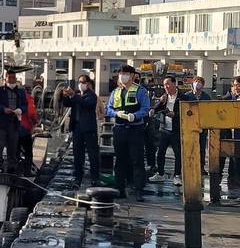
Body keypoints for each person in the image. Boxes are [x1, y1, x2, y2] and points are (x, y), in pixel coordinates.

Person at [106, 64, 150, 199]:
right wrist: (116, 113)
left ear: (132, 76)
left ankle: (138, 190)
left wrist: (135, 116)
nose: (122, 76)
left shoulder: (140, 91)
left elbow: (145, 108)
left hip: (135, 129)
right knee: (120, 160)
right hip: (119, 129)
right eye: (121, 74)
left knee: (137, 160)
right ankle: (120, 189)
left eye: (125, 73)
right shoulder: (116, 92)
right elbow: (108, 108)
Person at [62, 73, 101, 189]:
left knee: (93, 153)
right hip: (77, 127)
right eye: (79, 82)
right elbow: (67, 104)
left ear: (88, 84)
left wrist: (74, 95)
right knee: (77, 153)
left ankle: (95, 178)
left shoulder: (92, 96)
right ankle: (78, 176)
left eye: (83, 82)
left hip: (89, 128)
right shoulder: (77, 95)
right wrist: (65, 96)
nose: (81, 84)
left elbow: (85, 103)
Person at [148, 76, 185, 192]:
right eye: (164, 85)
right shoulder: (165, 98)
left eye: (168, 84)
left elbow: (187, 113)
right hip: (165, 129)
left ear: (174, 83)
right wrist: (154, 109)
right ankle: (160, 173)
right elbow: (158, 108)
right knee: (161, 152)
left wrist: (175, 115)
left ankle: (177, 175)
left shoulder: (182, 98)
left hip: (176, 130)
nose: (166, 87)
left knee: (177, 153)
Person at [0, 70, 28, 173]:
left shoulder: (20, 92)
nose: (11, 80)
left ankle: (12, 167)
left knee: (13, 146)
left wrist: (20, 110)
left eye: (13, 78)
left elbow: (25, 105)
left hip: (14, 122)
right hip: (1, 122)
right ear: (5, 79)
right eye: (9, 78)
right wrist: (3, 109)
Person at [17, 85, 39, 176]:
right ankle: (27, 171)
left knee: (15, 151)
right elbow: (32, 113)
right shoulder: (28, 98)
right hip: (24, 129)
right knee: (28, 151)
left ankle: (15, 170)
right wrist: (35, 123)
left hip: (12, 128)